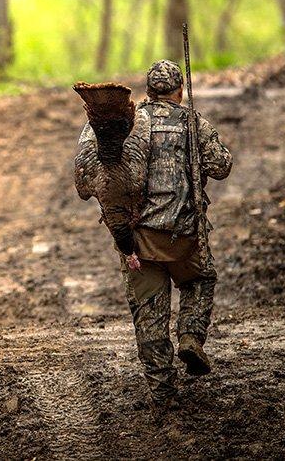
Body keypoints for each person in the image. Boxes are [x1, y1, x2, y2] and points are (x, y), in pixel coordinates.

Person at [119, 59, 233, 407]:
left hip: (140, 240)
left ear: (148, 92)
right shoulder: (193, 121)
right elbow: (221, 166)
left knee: (149, 315)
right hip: (185, 237)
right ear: (180, 91)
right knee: (200, 281)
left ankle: (162, 392)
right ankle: (190, 336)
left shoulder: (129, 125)